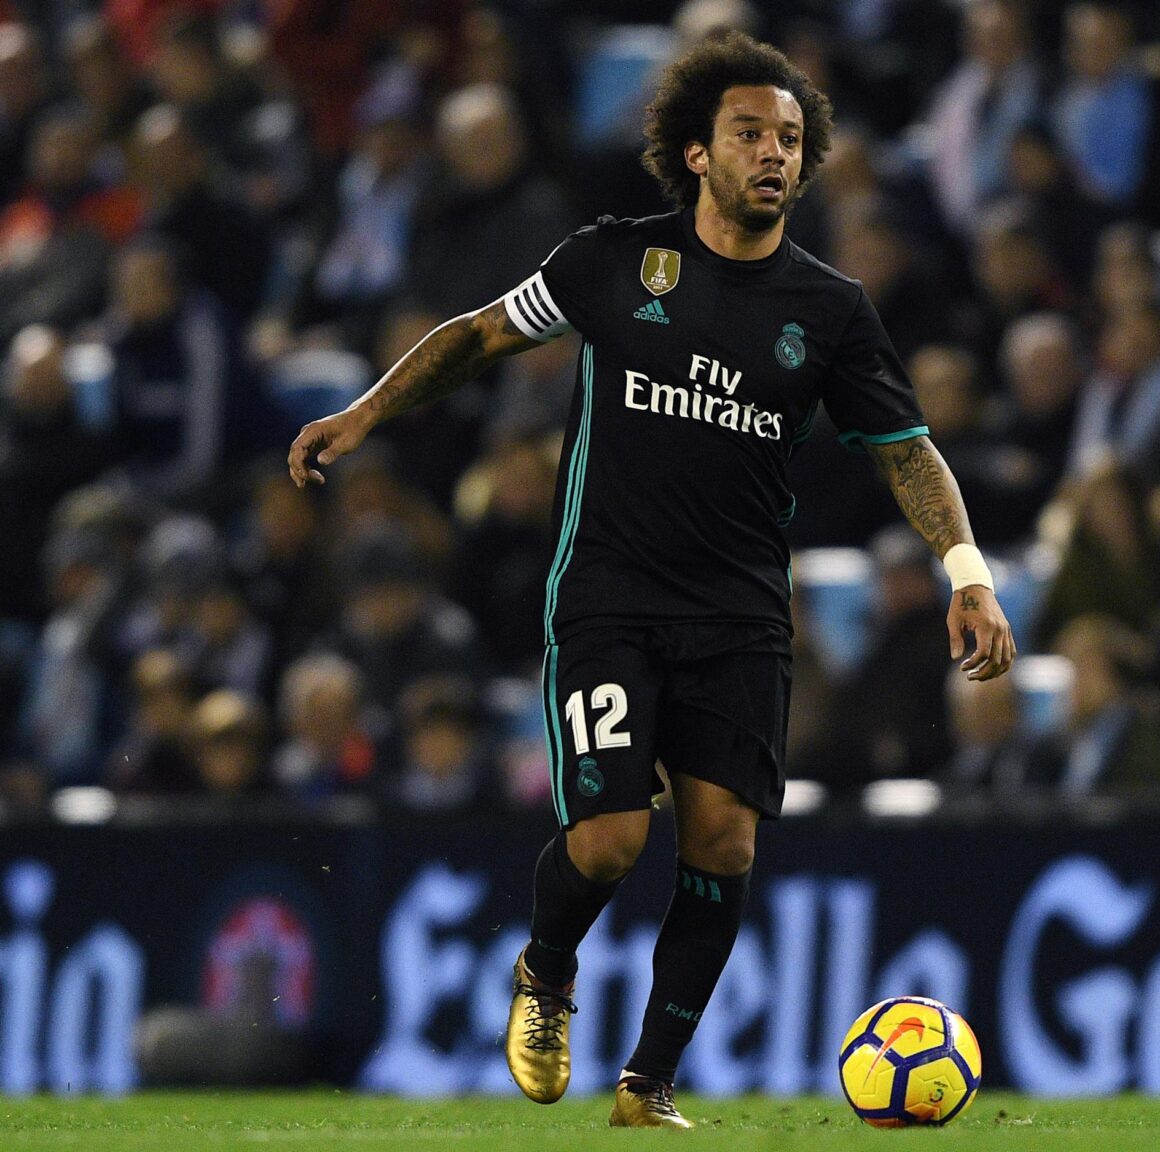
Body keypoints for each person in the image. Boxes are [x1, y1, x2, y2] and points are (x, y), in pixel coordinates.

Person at [286, 33, 1013, 1129]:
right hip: (610, 597)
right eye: (749, 134)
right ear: (696, 152)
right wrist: (365, 412)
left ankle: (647, 1084)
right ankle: (546, 971)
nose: (774, 153)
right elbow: (479, 336)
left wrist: (968, 573)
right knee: (612, 838)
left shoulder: (827, 309)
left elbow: (907, 450)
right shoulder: (613, 262)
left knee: (723, 842)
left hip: (741, 615)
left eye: (789, 139)